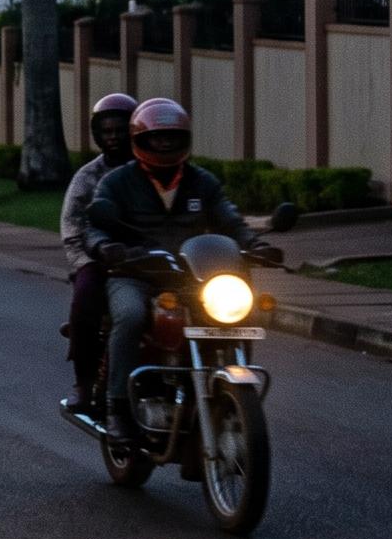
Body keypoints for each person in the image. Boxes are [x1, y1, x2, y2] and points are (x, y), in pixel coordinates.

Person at [83, 98, 280, 445]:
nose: (165, 144)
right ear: (140, 140)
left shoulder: (202, 182)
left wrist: (255, 244)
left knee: (237, 313)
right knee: (128, 316)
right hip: (137, 272)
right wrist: (105, 246)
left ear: (185, 138)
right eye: (157, 138)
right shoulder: (117, 182)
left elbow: (230, 220)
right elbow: (94, 227)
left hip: (195, 276)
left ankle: (226, 403)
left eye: (172, 137)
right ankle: (118, 408)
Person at [58, 94, 137, 416]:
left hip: (146, 256)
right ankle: (84, 382)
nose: (114, 136)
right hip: (95, 255)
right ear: (97, 134)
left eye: (120, 129)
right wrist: (92, 257)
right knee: (86, 294)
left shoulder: (151, 169)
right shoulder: (88, 177)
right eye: (107, 131)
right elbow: (72, 226)